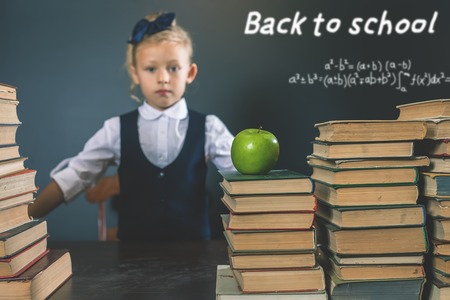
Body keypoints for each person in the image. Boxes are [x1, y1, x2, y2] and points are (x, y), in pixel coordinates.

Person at [29, 12, 235, 241]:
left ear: (190, 73)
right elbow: (76, 176)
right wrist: (24, 219)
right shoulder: (116, 129)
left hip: (195, 258)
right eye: (151, 69)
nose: (163, 78)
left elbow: (243, 176)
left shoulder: (209, 128)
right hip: (132, 262)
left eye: (174, 68)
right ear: (135, 74)